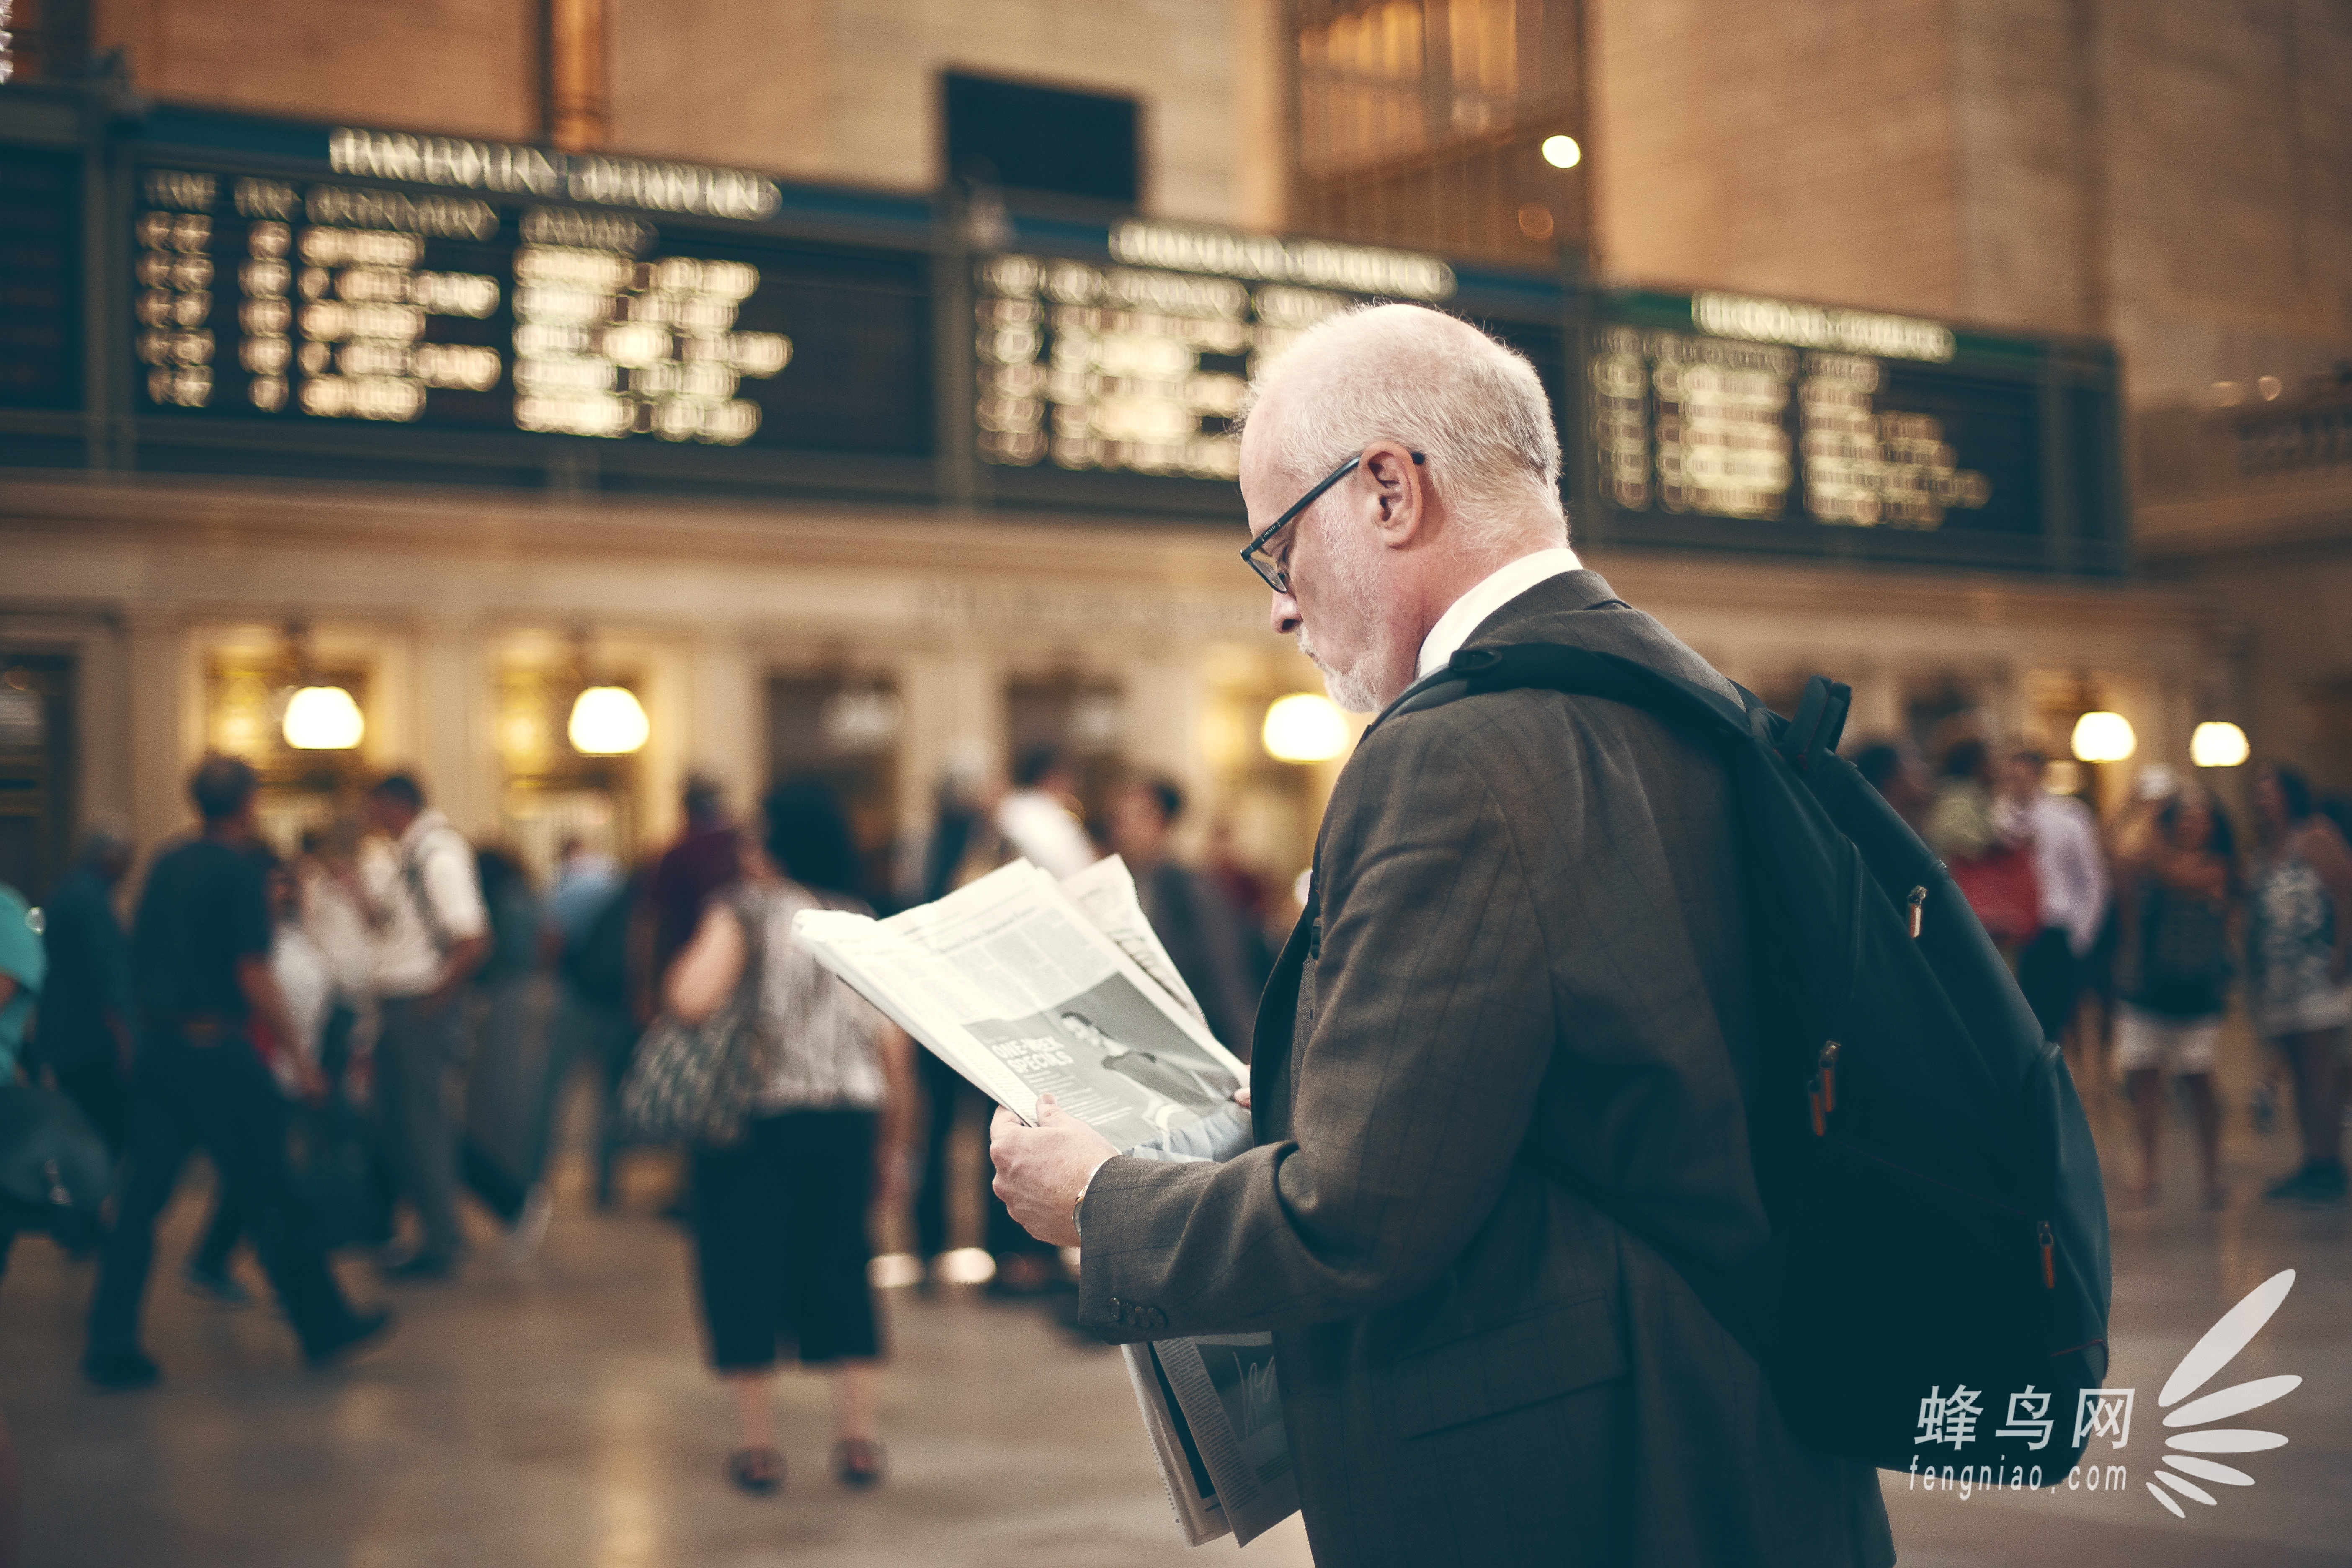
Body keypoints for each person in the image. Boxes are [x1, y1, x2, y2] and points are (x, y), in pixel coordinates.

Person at [990, 303, 1891, 1566]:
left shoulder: (1454, 754)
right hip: (1755, 1435)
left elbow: (1356, 1214)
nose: (1279, 612)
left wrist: (1102, 1199)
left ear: (1389, 493)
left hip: (1586, 1488)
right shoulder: (1690, 699)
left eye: (1276, 548)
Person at [82, 756, 390, 1388]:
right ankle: (324, 1323)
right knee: (274, 1187)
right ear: (249, 803)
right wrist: (300, 1059)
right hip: (217, 1050)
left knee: (142, 1198)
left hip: (162, 1052)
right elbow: (252, 971)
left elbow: (138, 955)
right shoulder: (242, 869)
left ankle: (110, 1341)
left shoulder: (166, 862)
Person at [664, 780, 916, 1495]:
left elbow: (688, 998)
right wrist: (894, 1146)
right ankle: (858, 1437)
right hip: (848, 1119)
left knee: (745, 1269)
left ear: (772, 845)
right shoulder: (858, 916)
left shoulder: (741, 911)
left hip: (756, 1123)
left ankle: (759, 1446)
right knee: (842, 1266)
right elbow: (893, 1051)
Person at [183, 854, 339, 1301]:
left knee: (256, 1180)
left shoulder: (295, 938)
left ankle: (212, 1261)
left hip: (290, 1070)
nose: (283, 892)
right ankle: (298, 1294)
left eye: (286, 884)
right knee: (273, 1182)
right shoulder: (249, 947)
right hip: (263, 1073)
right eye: (272, 883)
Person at [361, 771, 489, 1281]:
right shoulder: (409, 854)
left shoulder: (438, 853)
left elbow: (472, 939)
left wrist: (434, 1002)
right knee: (400, 1123)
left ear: (395, 804)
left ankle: (442, 1238)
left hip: (419, 1003)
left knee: (423, 1124)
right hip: (405, 1001)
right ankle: (432, 1232)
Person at [2112, 788, 2237, 1208]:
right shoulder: (2149, 860)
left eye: (2199, 818)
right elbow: (2114, 856)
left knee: (2198, 1081)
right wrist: (2135, 810)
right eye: (2183, 817)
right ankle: (2147, 1169)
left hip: (2197, 990)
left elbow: (2181, 879)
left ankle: (2211, 1171)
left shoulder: (2218, 867)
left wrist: (2150, 826)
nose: (2191, 825)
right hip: (2147, 987)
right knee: (2145, 1082)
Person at [2248, 762, 2352, 1206]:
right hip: (2280, 976)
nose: (2263, 799)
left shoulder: (2315, 836)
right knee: (2297, 1070)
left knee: (2320, 1071)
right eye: (2259, 792)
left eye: (2270, 791)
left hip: (2317, 970)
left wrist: (2341, 955)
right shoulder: (2267, 847)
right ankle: (2311, 1159)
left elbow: (2345, 893)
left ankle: (2329, 1164)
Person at [1104, 774, 1264, 1058]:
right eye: (1120, 820)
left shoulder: (1191, 888)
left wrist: (1247, 1048)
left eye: (1138, 819)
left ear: (1162, 824)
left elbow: (1225, 970)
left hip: (1192, 1040)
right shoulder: (1118, 882)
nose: (1125, 830)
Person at [30, 825, 136, 1155]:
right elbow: (104, 978)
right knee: (106, 1133)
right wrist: (124, 1039)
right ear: (110, 858)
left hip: (64, 1037)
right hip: (90, 1042)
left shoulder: (65, 891)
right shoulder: (91, 900)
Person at [1998, 749, 2112, 1053]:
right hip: (2010, 933)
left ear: (2038, 777)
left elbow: (2092, 879)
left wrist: (2081, 935)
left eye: (2023, 777)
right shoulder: (1996, 818)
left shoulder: (2069, 818)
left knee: (2054, 1028)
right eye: (2011, 778)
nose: (2017, 785)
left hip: (2055, 930)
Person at [1927, 737, 2040, 960]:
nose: (1997, 767)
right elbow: (1970, 846)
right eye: (1991, 758)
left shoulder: (1965, 796)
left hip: (1970, 911)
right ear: (1975, 764)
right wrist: (2010, 843)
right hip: (1969, 909)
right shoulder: (1959, 798)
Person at [993, 746, 1097, 881]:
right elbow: (1068, 864)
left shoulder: (1034, 810)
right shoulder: (1026, 810)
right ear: (1049, 777)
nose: (1071, 786)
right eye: (1064, 778)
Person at [1849, 738, 1932, 831]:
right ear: (1887, 779)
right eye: (1911, 760)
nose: (1924, 767)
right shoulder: (1879, 835)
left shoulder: (1911, 828)